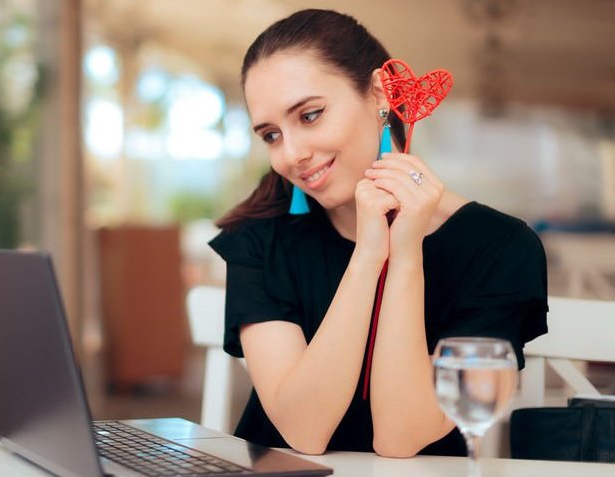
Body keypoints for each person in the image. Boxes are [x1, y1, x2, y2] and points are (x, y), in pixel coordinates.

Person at [209, 9, 548, 457]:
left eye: (309, 115)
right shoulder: (260, 239)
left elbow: (401, 437)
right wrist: (369, 254)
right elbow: (304, 431)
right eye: (271, 135)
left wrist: (404, 250)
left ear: (379, 94)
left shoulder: (500, 249)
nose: (292, 155)